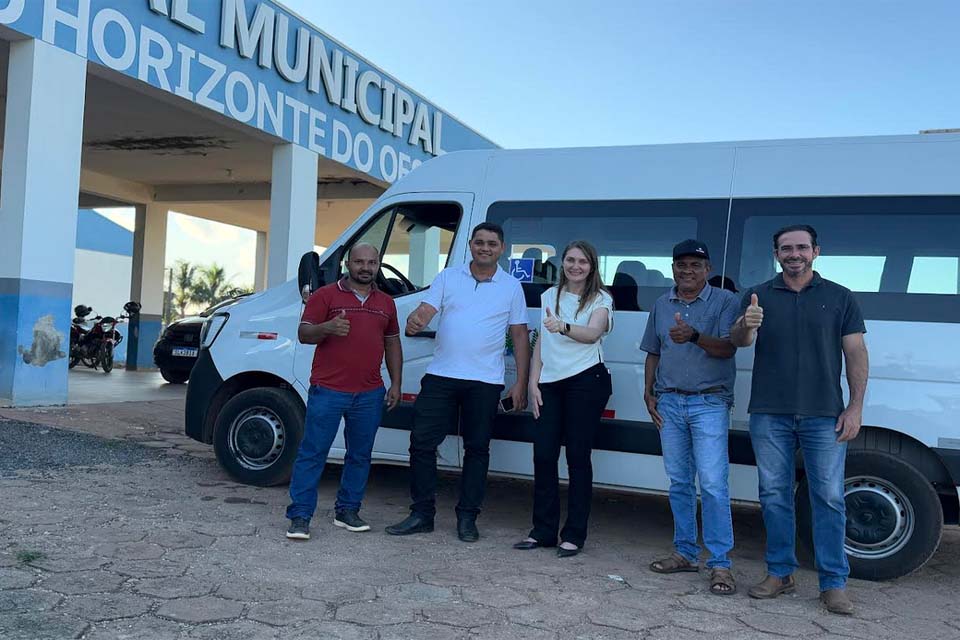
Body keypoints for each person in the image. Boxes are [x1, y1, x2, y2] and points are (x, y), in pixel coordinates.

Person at [731, 224, 869, 615]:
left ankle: (833, 583)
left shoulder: (840, 297)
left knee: (828, 497)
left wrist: (855, 407)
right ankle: (780, 573)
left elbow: (856, 353)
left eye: (802, 247)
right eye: (786, 248)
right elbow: (739, 341)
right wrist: (746, 324)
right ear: (776, 254)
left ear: (815, 251)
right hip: (769, 412)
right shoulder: (757, 294)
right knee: (774, 495)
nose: (795, 254)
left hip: (824, 414)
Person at [385, 222, 530, 542]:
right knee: (421, 443)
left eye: (492, 243)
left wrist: (521, 382)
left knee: (477, 449)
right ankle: (422, 514)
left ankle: (467, 518)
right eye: (479, 242)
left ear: (502, 248)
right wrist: (416, 319)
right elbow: (426, 309)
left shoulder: (511, 286)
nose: (485, 248)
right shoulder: (449, 277)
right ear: (470, 245)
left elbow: (520, 335)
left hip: (485, 381)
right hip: (441, 376)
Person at [641, 239, 740, 595]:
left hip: (709, 402)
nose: (688, 271)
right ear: (673, 269)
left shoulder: (725, 301)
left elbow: (729, 348)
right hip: (669, 401)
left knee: (712, 484)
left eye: (696, 265)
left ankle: (720, 564)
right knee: (680, 482)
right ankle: (684, 552)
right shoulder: (662, 304)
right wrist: (648, 391)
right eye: (681, 265)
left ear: (708, 269)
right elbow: (653, 351)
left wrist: (695, 336)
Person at [285, 243, 402, 541]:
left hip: (370, 393)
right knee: (313, 452)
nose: (366, 268)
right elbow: (304, 334)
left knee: (360, 456)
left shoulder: (386, 303)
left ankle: (347, 511)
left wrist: (396, 383)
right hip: (329, 390)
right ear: (348, 264)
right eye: (359, 262)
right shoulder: (325, 296)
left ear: (378, 265)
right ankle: (300, 516)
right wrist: (327, 327)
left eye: (372, 263)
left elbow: (392, 343)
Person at [513, 240, 613, 558]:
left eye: (582, 261)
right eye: (570, 260)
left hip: (587, 381)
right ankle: (543, 531)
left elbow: (593, 333)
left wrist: (564, 326)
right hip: (550, 383)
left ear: (592, 266)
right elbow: (542, 342)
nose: (575, 266)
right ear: (562, 263)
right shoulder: (549, 296)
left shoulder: (601, 299)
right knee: (543, 455)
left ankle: (573, 535)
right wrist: (533, 383)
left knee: (577, 458)